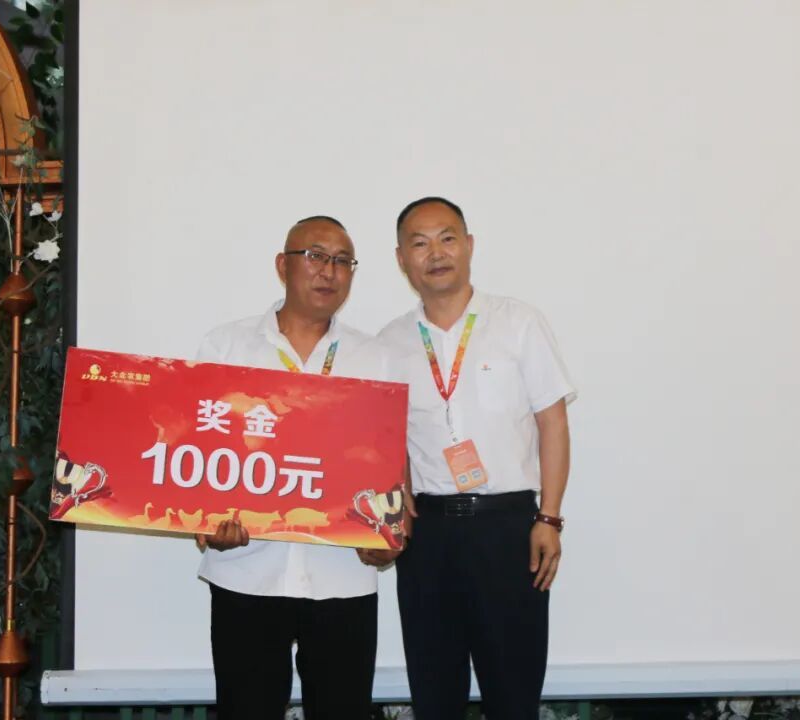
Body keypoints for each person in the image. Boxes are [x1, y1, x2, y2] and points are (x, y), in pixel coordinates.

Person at [194, 215, 401, 720]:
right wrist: (205, 522)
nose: (329, 271)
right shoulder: (226, 347)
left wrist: (391, 533)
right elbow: (199, 452)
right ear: (282, 265)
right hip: (246, 572)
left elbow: (393, 461)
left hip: (342, 577)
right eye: (315, 256)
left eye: (343, 261)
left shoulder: (376, 359)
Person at [378, 197, 576, 719]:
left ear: (469, 245)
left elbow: (553, 423)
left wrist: (549, 517)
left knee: (513, 694)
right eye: (419, 243)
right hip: (428, 536)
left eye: (447, 238)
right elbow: (384, 439)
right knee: (434, 693)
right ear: (401, 259)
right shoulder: (389, 343)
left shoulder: (518, 322)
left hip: (508, 529)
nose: (436, 253)